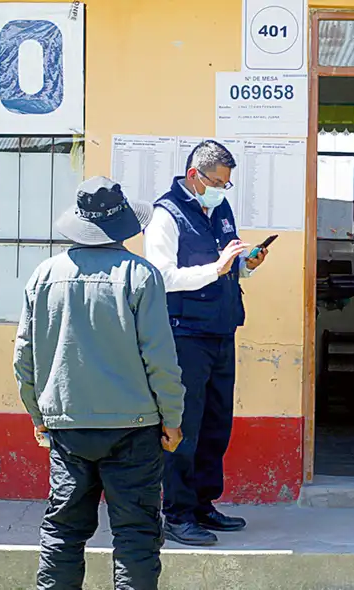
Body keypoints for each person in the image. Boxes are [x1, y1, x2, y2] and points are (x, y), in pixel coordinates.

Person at [14, 176, 185, 590]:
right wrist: (173, 418)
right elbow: (160, 359)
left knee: (63, 533)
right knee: (137, 535)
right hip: (135, 428)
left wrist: (40, 415)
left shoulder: (43, 275)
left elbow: (24, 359)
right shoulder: (140, 276)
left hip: (67, 425)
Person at [144, 140, 268, 546]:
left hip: (221, 331)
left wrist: (244, 266)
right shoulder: (167, 216)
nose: (222, 189)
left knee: (216, 425)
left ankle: (202, 504)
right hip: (185, 335)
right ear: (195, 175)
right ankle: (176, 514)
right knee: (184, 427)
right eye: (217, 182)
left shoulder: (220, 208)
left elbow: (225, 268)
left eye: (227, 184)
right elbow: (161, 276)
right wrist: (215, 269)